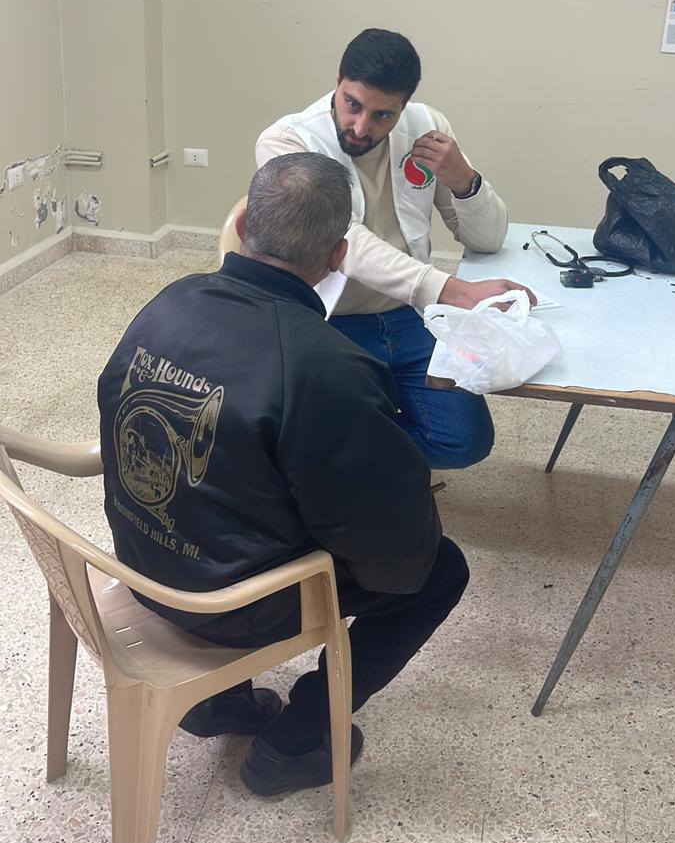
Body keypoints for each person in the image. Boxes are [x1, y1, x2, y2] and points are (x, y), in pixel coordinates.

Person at [98, 152, 469, 796]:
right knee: (440, 572)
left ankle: (217, 701)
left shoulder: (171, 299)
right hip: (228, 606)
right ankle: (294, 740)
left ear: (244, 226)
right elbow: (393, 550)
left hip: (141, 562)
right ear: (338, 256)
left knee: (236, 490)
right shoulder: (326, 365)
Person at [257, 28, 532, 471]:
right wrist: (452, 290)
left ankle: (332, 453)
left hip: (410, 315)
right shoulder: (289, 142)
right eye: (352, 104)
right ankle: (333, 454)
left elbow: (488, 239)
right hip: (329, 321)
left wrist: (464, 179)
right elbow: (346, 241)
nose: (361, 127)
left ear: (403, 107)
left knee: (464, 441)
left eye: (382, 115)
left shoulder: (427, 128)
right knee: (315, 429)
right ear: (338, 81)